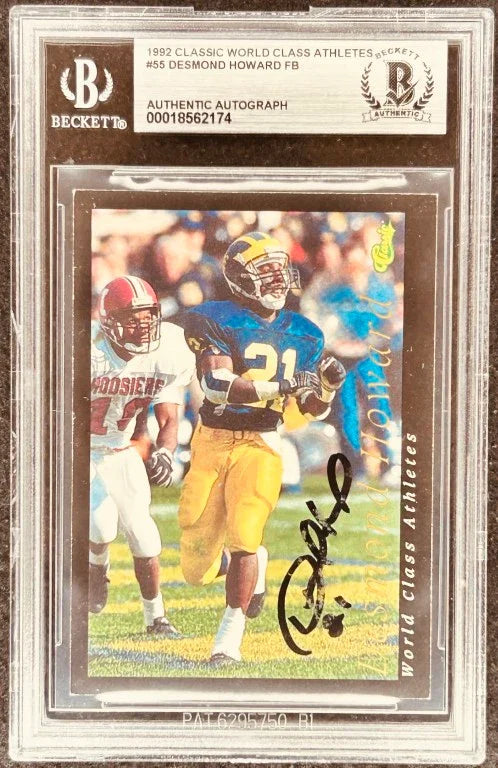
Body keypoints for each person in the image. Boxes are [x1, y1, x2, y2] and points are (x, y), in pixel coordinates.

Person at [178, 232, 346, 664]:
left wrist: (327, 388)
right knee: (195, 567)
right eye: (264, 270)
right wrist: (284, 385)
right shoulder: (214, 317)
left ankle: (228, 639)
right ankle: (253, 563)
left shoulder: (305, 333)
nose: (276, 278)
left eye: (279, 269)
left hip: (263, 441)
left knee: (246, 532)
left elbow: (309, 409)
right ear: (238, 278)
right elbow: (217, 385)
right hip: (213, 440)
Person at [90, 275, 195, 636]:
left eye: (148, 317)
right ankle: (96, 569)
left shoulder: (168, 350)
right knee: (101, 524)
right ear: (110, 321)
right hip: (81, 451)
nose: (143, 326)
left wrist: (165, 451)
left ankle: (156, 618)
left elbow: (169, 416)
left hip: (121, 451)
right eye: (132, 319)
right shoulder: (86, 351)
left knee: (145, 535)